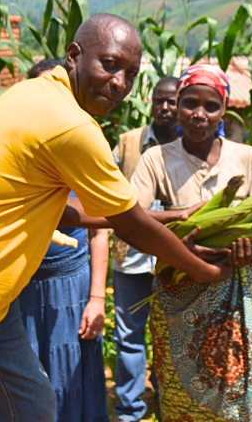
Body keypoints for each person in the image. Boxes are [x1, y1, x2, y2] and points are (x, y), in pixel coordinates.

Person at [0, 14, 232, 422]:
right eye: (109, 64)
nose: (119, 84)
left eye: (131, 74)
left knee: (27, 409)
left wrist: (171, 215)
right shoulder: (71, 125)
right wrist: (203, 270)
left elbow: (67, 211)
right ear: (74, 55)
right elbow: (130, 225)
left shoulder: (32, 93)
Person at [130, 63, 252, 422]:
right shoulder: (157, 158)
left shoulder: (247, 158)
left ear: (223, 112)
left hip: (231, 287)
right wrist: (179, 229)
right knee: (182, 391)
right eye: (190, 103)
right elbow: (131, 215)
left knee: (240, 390)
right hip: (177, 286)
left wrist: (249, 251)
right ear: (178, 105)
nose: (199, 114)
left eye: (211, 106)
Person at [14, 59, 110, 422]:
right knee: (23, 377)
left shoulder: (86, 145)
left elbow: (100, 227)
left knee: (69, 377)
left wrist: (96, 298)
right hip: (20, 284)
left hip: (70, 286)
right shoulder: (18, 148)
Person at [111, 75, 179, 422]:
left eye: (172, 101)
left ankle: (169, 401)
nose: (165, 108)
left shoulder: (194, 146)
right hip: (131, 257)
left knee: (172, 335)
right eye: (159, 100)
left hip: (174, 259)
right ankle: (130, 411)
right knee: (129, 336)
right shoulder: (127, 144)